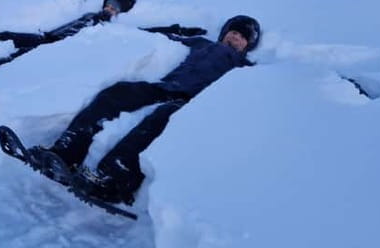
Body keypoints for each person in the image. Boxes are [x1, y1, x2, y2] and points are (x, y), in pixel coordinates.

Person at [27, 15, 261, 206]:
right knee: (116, 93)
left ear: (247, 46)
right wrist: (165, 28)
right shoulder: (201, 43)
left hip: (192, 101)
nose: (235, 37)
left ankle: (113, 179)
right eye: (233, 32)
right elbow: (162, 36)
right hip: (165, 87)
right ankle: (66, 152)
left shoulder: (244, 67)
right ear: (223, 33)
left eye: (242, 37)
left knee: (159, 119)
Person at [0, 0, 141, 86]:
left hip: (57, 48)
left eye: (114, 9)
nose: (109, 9)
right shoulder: (90, 14)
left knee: (16, 57)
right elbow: (68, 26)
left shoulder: (107, 28)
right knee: (6, 36)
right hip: (47, 38)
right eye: (108, 5)